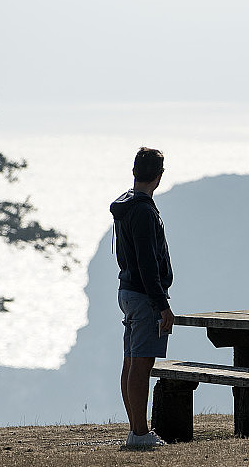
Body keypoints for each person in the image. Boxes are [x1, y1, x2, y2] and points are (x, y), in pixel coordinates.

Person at [110, 147, 174, 448]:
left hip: (127, 290)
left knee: (130, 362)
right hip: (144, 295)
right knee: (142, 363)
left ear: (136, 171)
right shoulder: (145, 211)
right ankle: (139, 433)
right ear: (158, 176)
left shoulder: (125, 205)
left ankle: (136, 429)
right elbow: (148, 262)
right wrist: (162, 305)